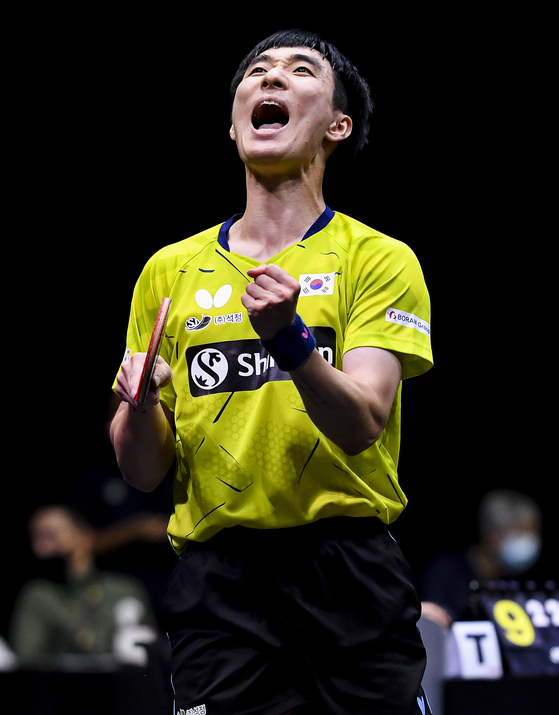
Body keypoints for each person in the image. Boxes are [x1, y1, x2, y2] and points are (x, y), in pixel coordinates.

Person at [111, 29, 434, 715]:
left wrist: (289, 341)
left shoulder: (378, 259)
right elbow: (142, 472)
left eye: (297, 71)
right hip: (218, 582)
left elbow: (362, 423)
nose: (269, 80)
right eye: (255, 73)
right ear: (232, 125)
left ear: (337, 126)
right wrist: (138, 407)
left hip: (347, 567)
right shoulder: (169, 271)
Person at [9, 505, 157, 666]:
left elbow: (150, 656)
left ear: (85, 538)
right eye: (35, 539)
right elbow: (27, 663)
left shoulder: (123, 590)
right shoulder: (38, 596)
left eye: (50, 536)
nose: (40, 549)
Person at [420, 488, 543, 626]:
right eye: (520, 535)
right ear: (492, 536)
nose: (528, 543)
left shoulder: (520, 582)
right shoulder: (444, 573)